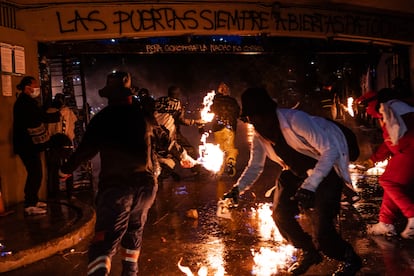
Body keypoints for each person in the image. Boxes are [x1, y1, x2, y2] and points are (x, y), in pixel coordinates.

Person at [59, 71, 196, 276]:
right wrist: (184, 156)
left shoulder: (102, 119)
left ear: (108, 95)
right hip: (146, 187)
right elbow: (166, 140)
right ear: (129, 94)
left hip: (116, 188)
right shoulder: (144, 116)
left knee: (104, 241)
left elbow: (85, 151)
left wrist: (65, 171)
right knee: (133, 233)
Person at [223, 87, 362, 275]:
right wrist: (237, 189)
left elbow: (330, 150)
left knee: (323, 234)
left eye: (258, 116)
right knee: (280, 214)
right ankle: (309, 251)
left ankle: (350, 258)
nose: (255, 123)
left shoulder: (296, 120)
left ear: (269, 113)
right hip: (295, 173)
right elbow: (255, 166)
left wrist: (310, 186)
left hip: (325, 171)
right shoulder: (259, 135)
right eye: (251, 118)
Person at [359, 88, 414, 239]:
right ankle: (385, 222)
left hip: (410, 151)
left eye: (366, 106)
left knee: (388, 180)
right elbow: (390, 141)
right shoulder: (393, 109)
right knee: (391, 183)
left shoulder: (392, 109)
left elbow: (395, 137)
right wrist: (373, 159)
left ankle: (412, 215)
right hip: (407, 151)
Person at [13, 76, 61, 215]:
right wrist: (56, 115)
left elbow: (39, 114)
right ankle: (30, 204)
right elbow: (39, 117)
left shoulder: (27, 101)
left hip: (28, 144)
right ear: (27, 87)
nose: (37, 89)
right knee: (35, 173)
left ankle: (33, 200)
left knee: (35, 172)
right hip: (26, 144)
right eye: (35, 85)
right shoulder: (24, 102)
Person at [154, 86, 203, 180]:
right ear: (177, 94)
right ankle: (197, 170)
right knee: (186, 150)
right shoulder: (177, 103)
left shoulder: (159, 101)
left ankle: (163, 173)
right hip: (169, 132)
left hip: (155, 131)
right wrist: (195, 122)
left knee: (160, 153)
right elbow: (182, 120)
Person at [46, 93, 78, 199]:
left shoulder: (49, 112)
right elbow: (72, 129)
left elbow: (48, 130)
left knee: (53, 169)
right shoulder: (68, 112)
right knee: (68, 168)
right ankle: (70, 193)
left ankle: (55, 193)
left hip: (54, 144)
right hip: (66, 144)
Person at [210, 82, 240, 176]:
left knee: (220, 148)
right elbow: (237, 113)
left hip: (217, 127)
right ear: (228, 91)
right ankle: (231, 161)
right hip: (230, 127)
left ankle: (219, 170)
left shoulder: (214, 100)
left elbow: (210, 111)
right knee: (230, 147)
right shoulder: (233, 101)